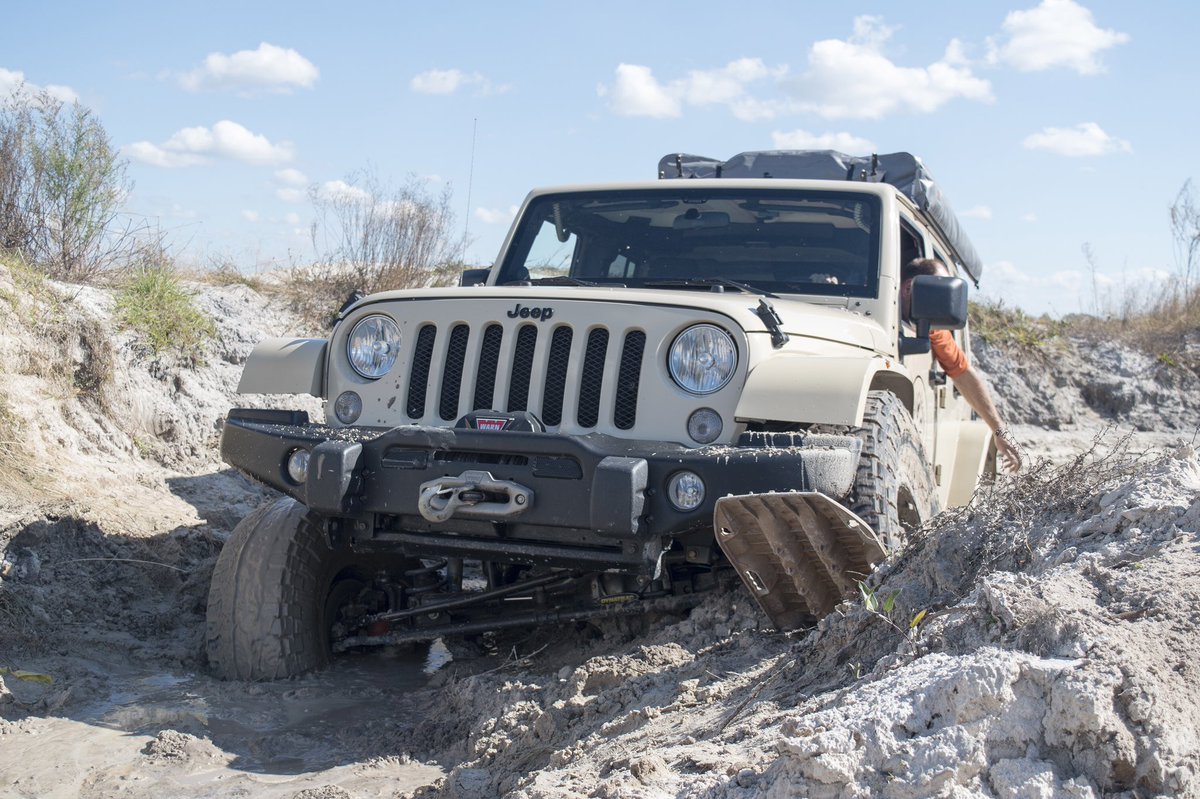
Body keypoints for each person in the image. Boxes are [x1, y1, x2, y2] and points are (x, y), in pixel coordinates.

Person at [901, 258, 1022, 472]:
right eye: (942, 291)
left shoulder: (931, 327)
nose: (946, 303)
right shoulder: (875, 308)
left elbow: (963, 373)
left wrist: (1000, 431)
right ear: (911, 287)